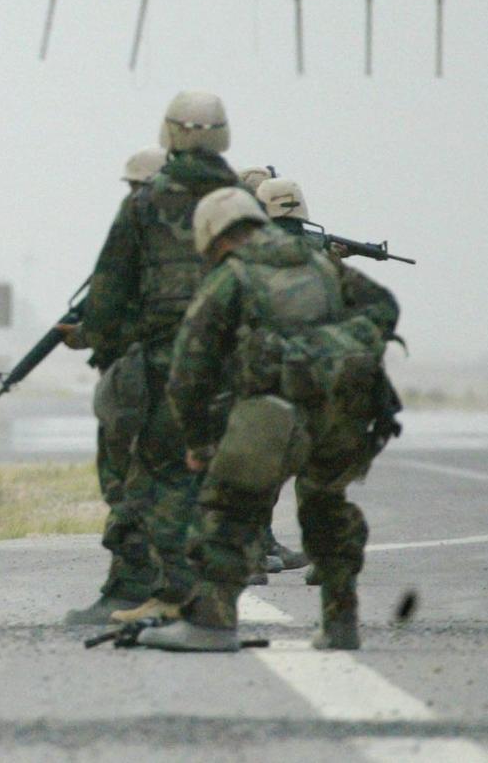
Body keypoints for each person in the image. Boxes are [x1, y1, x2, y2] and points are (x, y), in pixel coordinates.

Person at [138, 188, 400, 651]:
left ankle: (212, 625)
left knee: (228, 511)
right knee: (328, 510)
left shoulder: (232, 278)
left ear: (213, 233)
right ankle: (341, 624)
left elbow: (188, 371)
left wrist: (198, 443)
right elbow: (383, 307)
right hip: (342, 411)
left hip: (272, 415)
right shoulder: (322, 266)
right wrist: (338, 349)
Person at [80, 91, 242, 623]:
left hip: (163, 368)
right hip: (239, 366)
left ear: (168, 134)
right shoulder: (244, 203)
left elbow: (106, 295)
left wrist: (111, 352)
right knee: (228, 484)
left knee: (148, 479)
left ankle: (141, 587)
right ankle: (215, 596)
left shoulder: (146, 204)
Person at [61, 146, 167, 624]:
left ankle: (128, 587)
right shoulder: (213, 214)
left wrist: (90, 339)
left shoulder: (140, 218)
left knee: (127, 480)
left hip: (141, 372)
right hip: (197, 370)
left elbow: (107, 302)